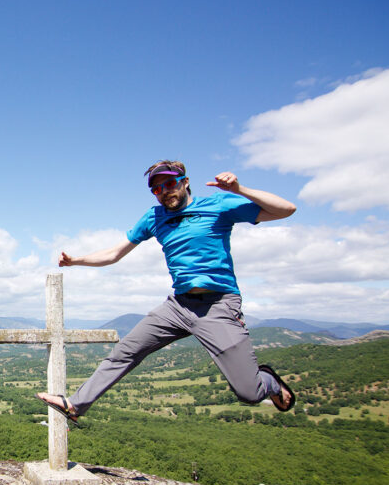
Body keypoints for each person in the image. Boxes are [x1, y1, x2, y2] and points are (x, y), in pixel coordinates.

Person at [37, 160, 296, 423]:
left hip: (218, 305)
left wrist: (240, 189)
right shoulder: (154, 217)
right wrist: (76, 260)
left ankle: (270, 382)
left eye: (170, 183)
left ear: (185, 182)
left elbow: (286, 209)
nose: (164, 191)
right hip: (179, 305)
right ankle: (75, 404)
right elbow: (115, 253)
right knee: (126, 350)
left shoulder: (217, 206)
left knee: (250, 393)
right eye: (157, 189)